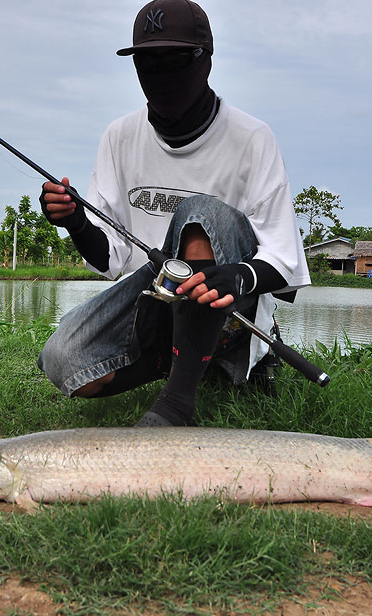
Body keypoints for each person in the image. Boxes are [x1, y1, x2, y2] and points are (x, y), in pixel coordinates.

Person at [38, 0, 309, 426]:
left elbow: (285, 260)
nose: (161, 74)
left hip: (229, 303)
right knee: (64, 362)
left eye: (177, 59)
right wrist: (75, 223)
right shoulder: (119, 136)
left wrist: (238, 275)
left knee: (198, 213)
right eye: (148, 61)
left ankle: (178, 403)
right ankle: (176, 361)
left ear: (206, 60)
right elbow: (112, 260)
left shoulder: (252, 138)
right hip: (156, 294)